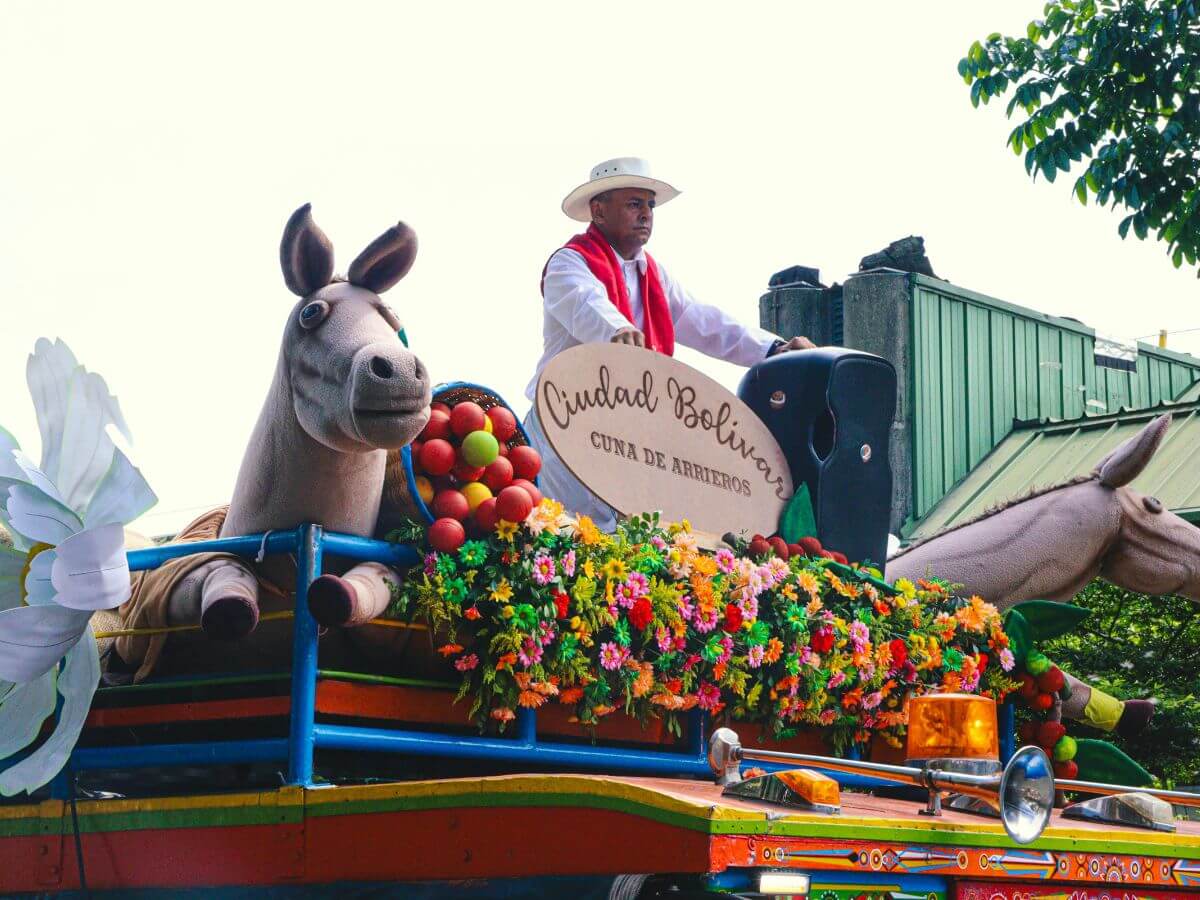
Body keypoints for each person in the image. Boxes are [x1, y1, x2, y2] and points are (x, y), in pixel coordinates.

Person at [523, 157, 815, 529]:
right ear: (598, 211)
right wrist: (617, 331)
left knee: (628, 542)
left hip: (628, 436)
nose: (646, 214)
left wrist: (773, 350)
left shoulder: (653, 275)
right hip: (563, 424)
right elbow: (586, 302)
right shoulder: (569, 263)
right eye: (634, 204)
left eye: (650, 205)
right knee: (567, 533)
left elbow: (703, 320)